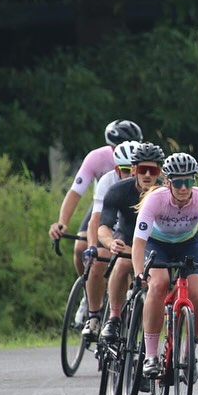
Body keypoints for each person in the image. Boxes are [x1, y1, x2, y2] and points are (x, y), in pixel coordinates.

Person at [132, 152, 198, 380]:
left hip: (188, 244)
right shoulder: (155, 200)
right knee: (159, 284)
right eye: (178, 182)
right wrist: (139, 273)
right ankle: (150, 356)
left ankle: (189, 352)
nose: (184, 187)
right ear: (167, 182)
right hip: (157, 245)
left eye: (188, 181)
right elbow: (138, 243)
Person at [48, 120, 143, 329]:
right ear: (111, 148)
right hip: (105, 204)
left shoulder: (143, 164)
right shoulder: (98, 159)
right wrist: (63, 222)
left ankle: (120, 302)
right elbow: (75, 192)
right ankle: (90, 294)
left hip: (131, 207)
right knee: (83, 248)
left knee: (124, 255)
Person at [98, 142, 165, 342]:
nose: (147, 175)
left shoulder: (166, 192)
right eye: (142, 169)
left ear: (159, 171)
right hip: (126, 238)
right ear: (134, 169)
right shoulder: (118, 191)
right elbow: (103, 227)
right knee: (123, 262)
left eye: (152, 170)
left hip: (156, 243)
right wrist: (110, 243)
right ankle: (114, 317)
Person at [79, 139, 139, 338]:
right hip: (110, 228)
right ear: (116, 168)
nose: (130, 174)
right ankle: (94, 316)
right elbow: (95, 221)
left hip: (133, 231)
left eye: (134, 169)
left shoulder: (147, 182)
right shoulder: (108, 182)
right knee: (97, 261)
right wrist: (93, 246)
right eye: (124, 169)